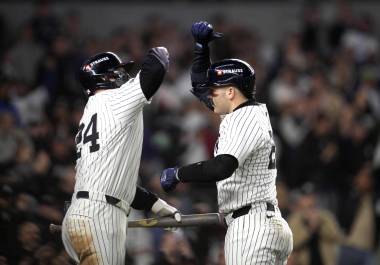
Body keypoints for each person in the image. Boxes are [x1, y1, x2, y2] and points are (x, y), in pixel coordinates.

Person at [160, 21, 293, 264]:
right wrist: (201, 49)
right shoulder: (246, 112)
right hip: (262, 221)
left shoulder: (243, 118)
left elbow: (222, 167)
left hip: (252, 227)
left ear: (230, 92)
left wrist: (180, 174)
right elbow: (199, 84)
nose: (209, 94)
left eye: (215, 90)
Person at [61, 48, 181, 265]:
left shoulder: (92, 112)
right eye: (118, 71)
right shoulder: (113, 99)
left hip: (85, 212)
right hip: (100, 216)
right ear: (105, 78)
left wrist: (154, 204)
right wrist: (163, 46)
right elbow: (156, 65)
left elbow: (113, 183)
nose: (124, 76)